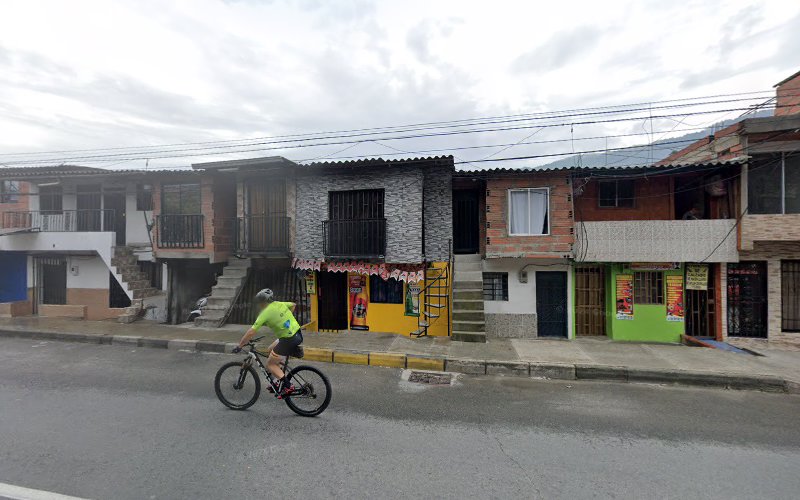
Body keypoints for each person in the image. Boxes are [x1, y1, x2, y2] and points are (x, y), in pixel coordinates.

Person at [234, 288, 302, 397]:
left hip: (287, 340)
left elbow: (251, 332)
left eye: (259, 302)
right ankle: (278, 380)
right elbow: (293, 305)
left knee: (270, 364)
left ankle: (288, 385)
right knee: (270, 349)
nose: (259, 305)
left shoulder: (265, 313)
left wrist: (240, 345)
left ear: (263, 302)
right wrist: (285, 319)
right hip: (297, 334)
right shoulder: (279, 304)